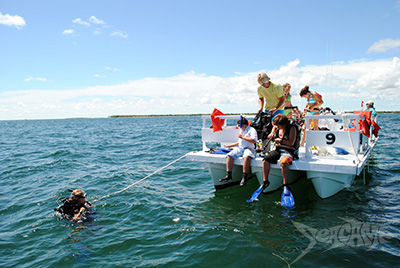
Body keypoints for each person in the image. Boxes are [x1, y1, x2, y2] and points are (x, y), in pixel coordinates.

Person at [261, 114, 298, 190]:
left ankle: (285, 184)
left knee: (284, 162)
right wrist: (272, 133)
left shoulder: (292, 128)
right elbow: (274, 126)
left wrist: (280, 140)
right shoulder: (278, 127)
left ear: (283, 124)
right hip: (278, 149)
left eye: (278, 126)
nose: (277, 127)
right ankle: (265, 181)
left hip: (288, 150)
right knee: (265, 160)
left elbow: (291, 143)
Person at [219, 117, 258, 187]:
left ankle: (244, 178)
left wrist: (242, 137)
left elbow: (253, 140)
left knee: (246, 157)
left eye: (239, 125)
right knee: (230, 155)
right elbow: (239, 143)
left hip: (249, 149)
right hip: (240, 148)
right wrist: (228, 146)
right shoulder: (241, 130)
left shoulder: (252, 130)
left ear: (243, 124)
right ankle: (229, 175)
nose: (238, 127)